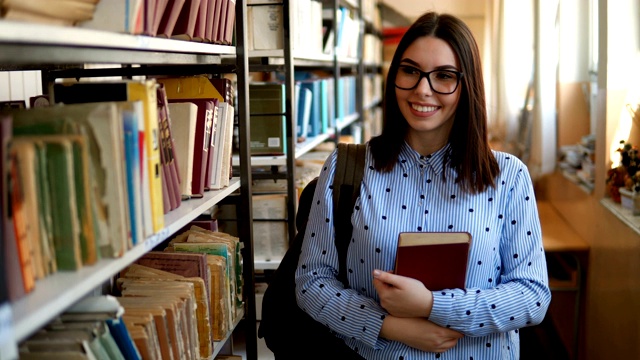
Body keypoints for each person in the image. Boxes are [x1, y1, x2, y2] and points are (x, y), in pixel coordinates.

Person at [295, 11, 551, 359]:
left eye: (444, 76)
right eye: (410, 71)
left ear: (467, 85)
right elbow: (312, 281)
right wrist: (386, 325)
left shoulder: (508, 177)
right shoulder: (346, 167)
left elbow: (532, 295)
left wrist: (432, 305)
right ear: (394, 75)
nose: (422, 90)